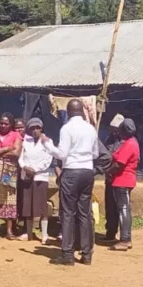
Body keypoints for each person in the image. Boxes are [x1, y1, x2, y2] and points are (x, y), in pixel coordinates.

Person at [45, 99, 100, 266]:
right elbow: (96, 153)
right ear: (82, 111)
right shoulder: (90, 129)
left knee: (68, 213)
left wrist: (48, 145)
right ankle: (86, 254)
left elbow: (62, 154)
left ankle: (67, 254)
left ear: (68, 112)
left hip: (72, 172)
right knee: (85, 213)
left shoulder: (67, 128)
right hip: (87, 172)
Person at [17, 117, 52, 242]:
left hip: (40, 178)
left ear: (41, 128)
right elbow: (21, 157)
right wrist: (25, 167)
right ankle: (28, 233)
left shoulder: (48, 141)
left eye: (38, 128)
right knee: (28, 206)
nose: (35, 130)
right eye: (32, 128)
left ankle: (44, 235)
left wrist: (34, 169)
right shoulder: (26, 142)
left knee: (41, 206)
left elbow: (48, 160)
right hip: (26, 177)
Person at [108, 118, 140, 251]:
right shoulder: (132, 142)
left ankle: (125, 240)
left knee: (123, 210)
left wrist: (108, 171)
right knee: (124, 209)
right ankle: (126, 239)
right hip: (126, 180)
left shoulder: (129, 144)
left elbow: (120, 164)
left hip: (122, 180)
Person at [102, 113, 125, 244]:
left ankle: (123, 236)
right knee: (109, 206)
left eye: (117, 129)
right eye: (113, 129)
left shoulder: (126, 141)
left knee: (120, 208)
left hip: (120, 179)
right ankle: (110, 233)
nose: (114, 131)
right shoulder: (109, 140)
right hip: (109, 178)